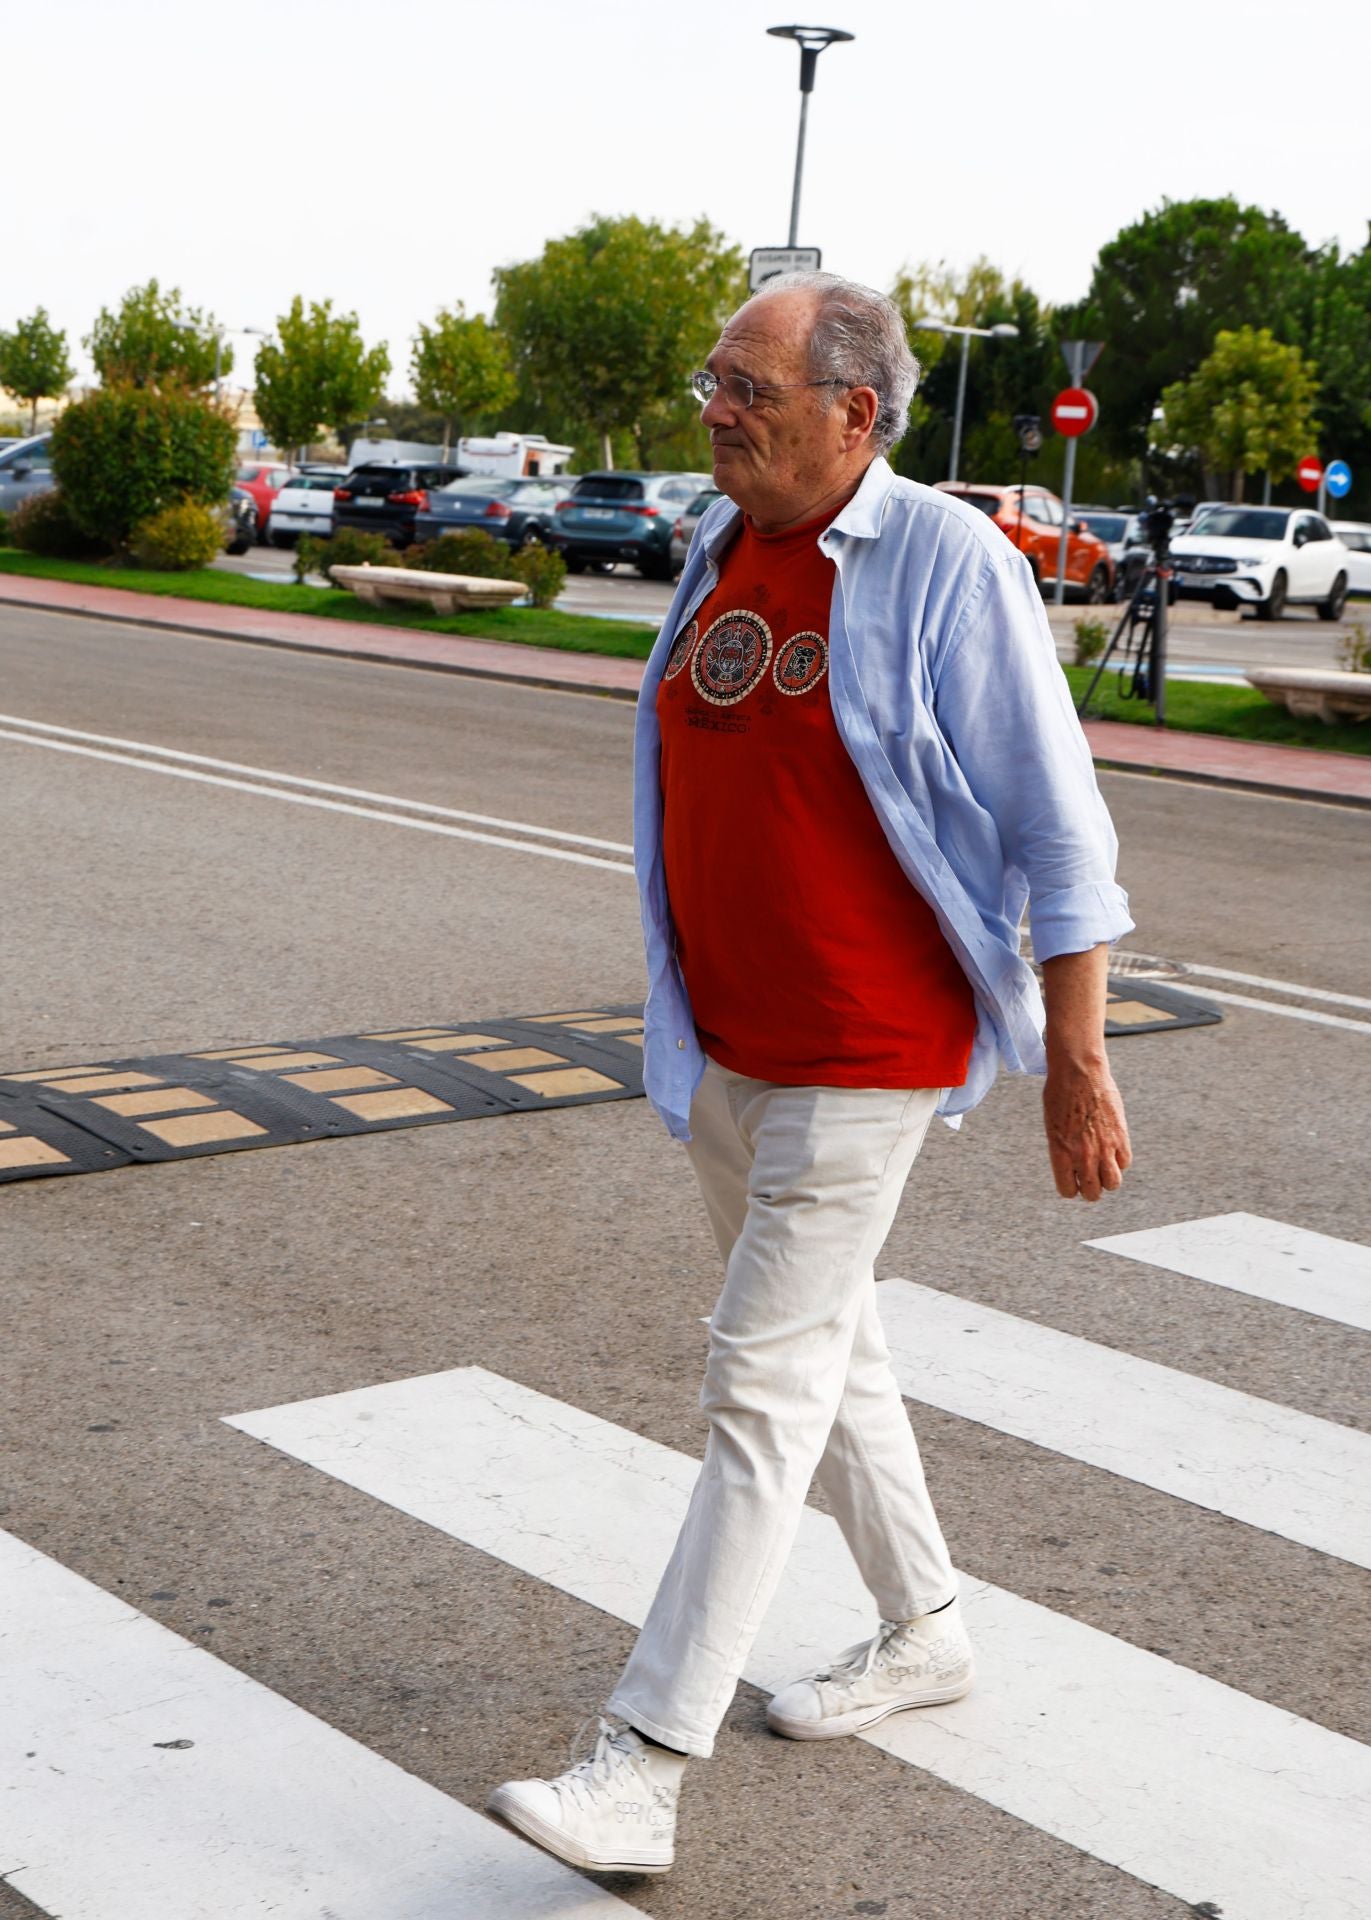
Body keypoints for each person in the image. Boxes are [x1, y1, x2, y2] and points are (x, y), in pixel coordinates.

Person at [488, 273, 1133, 1877]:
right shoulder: (725, 543)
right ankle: (925, 1628)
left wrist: (1079, 1056)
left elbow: (1062, 830)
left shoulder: (945, 562)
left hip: (867, 1044)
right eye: (713, 378)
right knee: (831, 1358)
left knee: (758, 1390)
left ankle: (641, 1762)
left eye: (749, 387)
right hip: (726, 1042)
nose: (716, 409)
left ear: (857, 411)